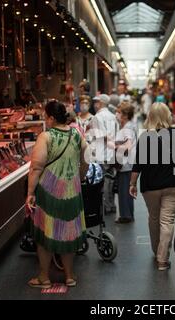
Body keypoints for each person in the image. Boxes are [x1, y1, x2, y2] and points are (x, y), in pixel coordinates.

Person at [26, 100, 89, 289]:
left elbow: (36, 167)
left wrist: (30, 193)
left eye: (46, 116)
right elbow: (86, 158)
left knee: (45, 234)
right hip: (72, 191)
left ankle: (44, 277)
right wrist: (80, 177)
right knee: (68, 233)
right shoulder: (76, 134)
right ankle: (69, 276)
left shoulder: (46, 137)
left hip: (49, 191)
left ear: (51, 118)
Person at [130, 103, 175, 271]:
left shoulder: (145, 137)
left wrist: (132, 184)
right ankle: (163, 259)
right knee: (167, 221)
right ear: (168, 116)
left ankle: (157, 250)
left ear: (150, 117)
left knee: (154, 218)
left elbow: (138, 165)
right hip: (174, 185)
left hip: (151, 186)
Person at [89, 94, 119, 215]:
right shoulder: (113, 116)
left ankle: (106, 206)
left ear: (100, 103)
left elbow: (99, 135)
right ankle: (112, 205)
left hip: (102, 153)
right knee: (111, 179)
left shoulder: (97, 117)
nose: (95, 105)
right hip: (112, 152)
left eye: (96, 102)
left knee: (105, 180)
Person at [114, 102, 137, 224]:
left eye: (119, 112)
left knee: (124, 190)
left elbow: (127, 145)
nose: (117, 114)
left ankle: (125, 215)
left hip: (126, 164)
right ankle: (128, 214)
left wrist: (116, 147)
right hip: (129, 163)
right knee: (127, 190)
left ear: (125, 115)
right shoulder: (128, 126)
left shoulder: (127, 128)